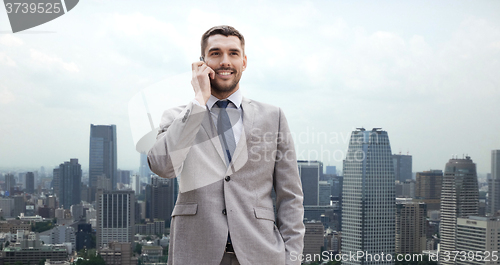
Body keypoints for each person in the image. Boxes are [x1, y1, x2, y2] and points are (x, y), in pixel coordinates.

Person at [148, 25, 304, 265]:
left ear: (244, 61)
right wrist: (199, 102)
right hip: (195, 253)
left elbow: (290, 196)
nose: (224, 61)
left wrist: (291, 258)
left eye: (233, 53)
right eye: (215, 53)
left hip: (262, 254)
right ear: (202, 63)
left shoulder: (273, 117)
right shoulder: (178, 117)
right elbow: (162, 166)